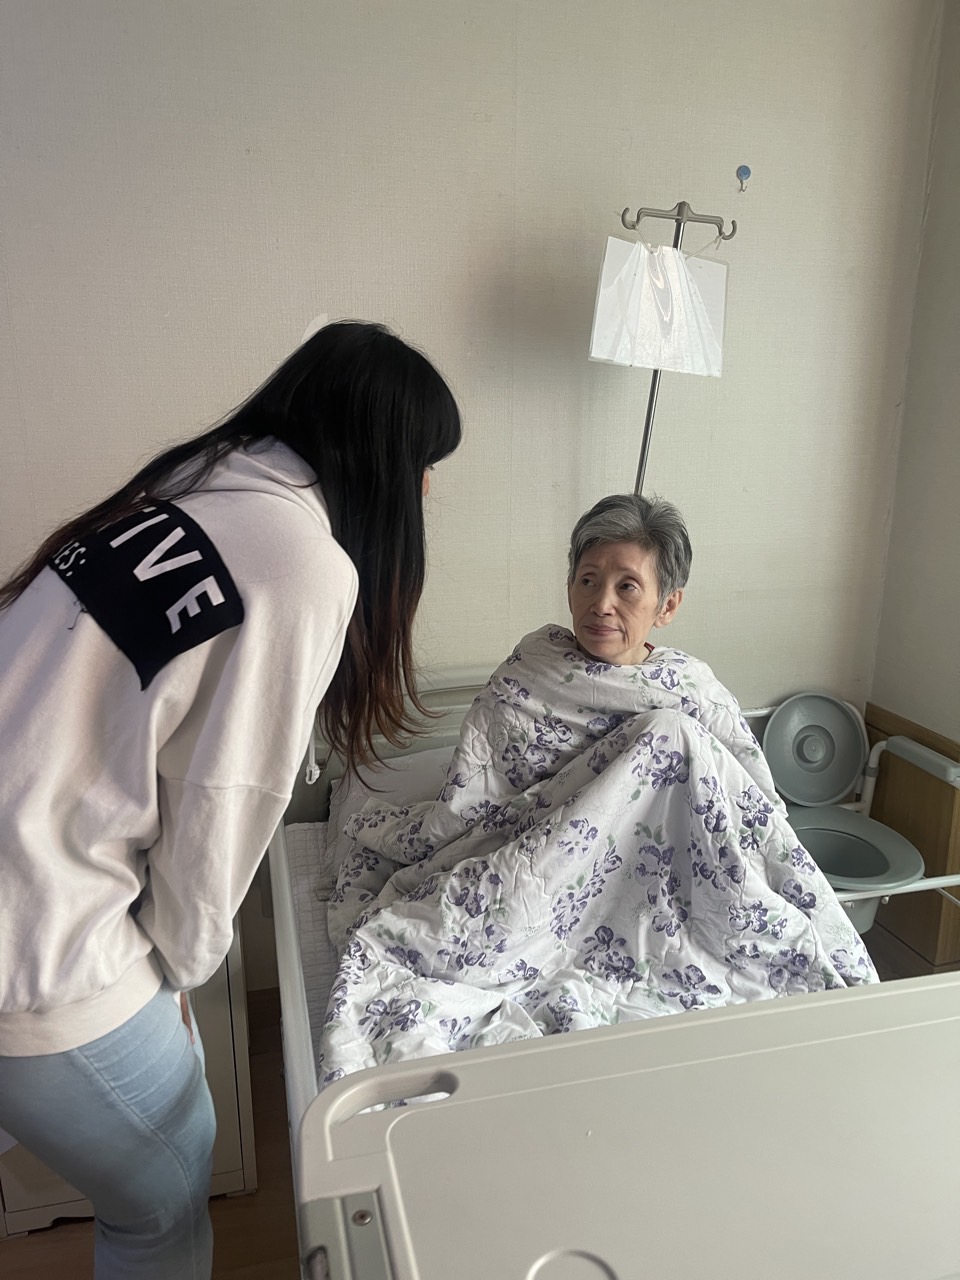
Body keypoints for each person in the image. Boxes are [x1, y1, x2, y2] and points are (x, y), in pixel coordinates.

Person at [0, 320, 461, 1279]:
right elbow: (221, 803)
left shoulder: (187, 485)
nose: (428, 493)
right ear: (383, 458)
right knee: (158, 1209)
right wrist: (176, 980)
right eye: (426, 465)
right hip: (34, 939)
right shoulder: (301, 561)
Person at [566, 491, 691, 665]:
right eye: (588, 581)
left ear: (667, 607)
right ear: (570, 590)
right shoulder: (535, 658)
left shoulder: (687, 681)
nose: (602, 607)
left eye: (627, 586)